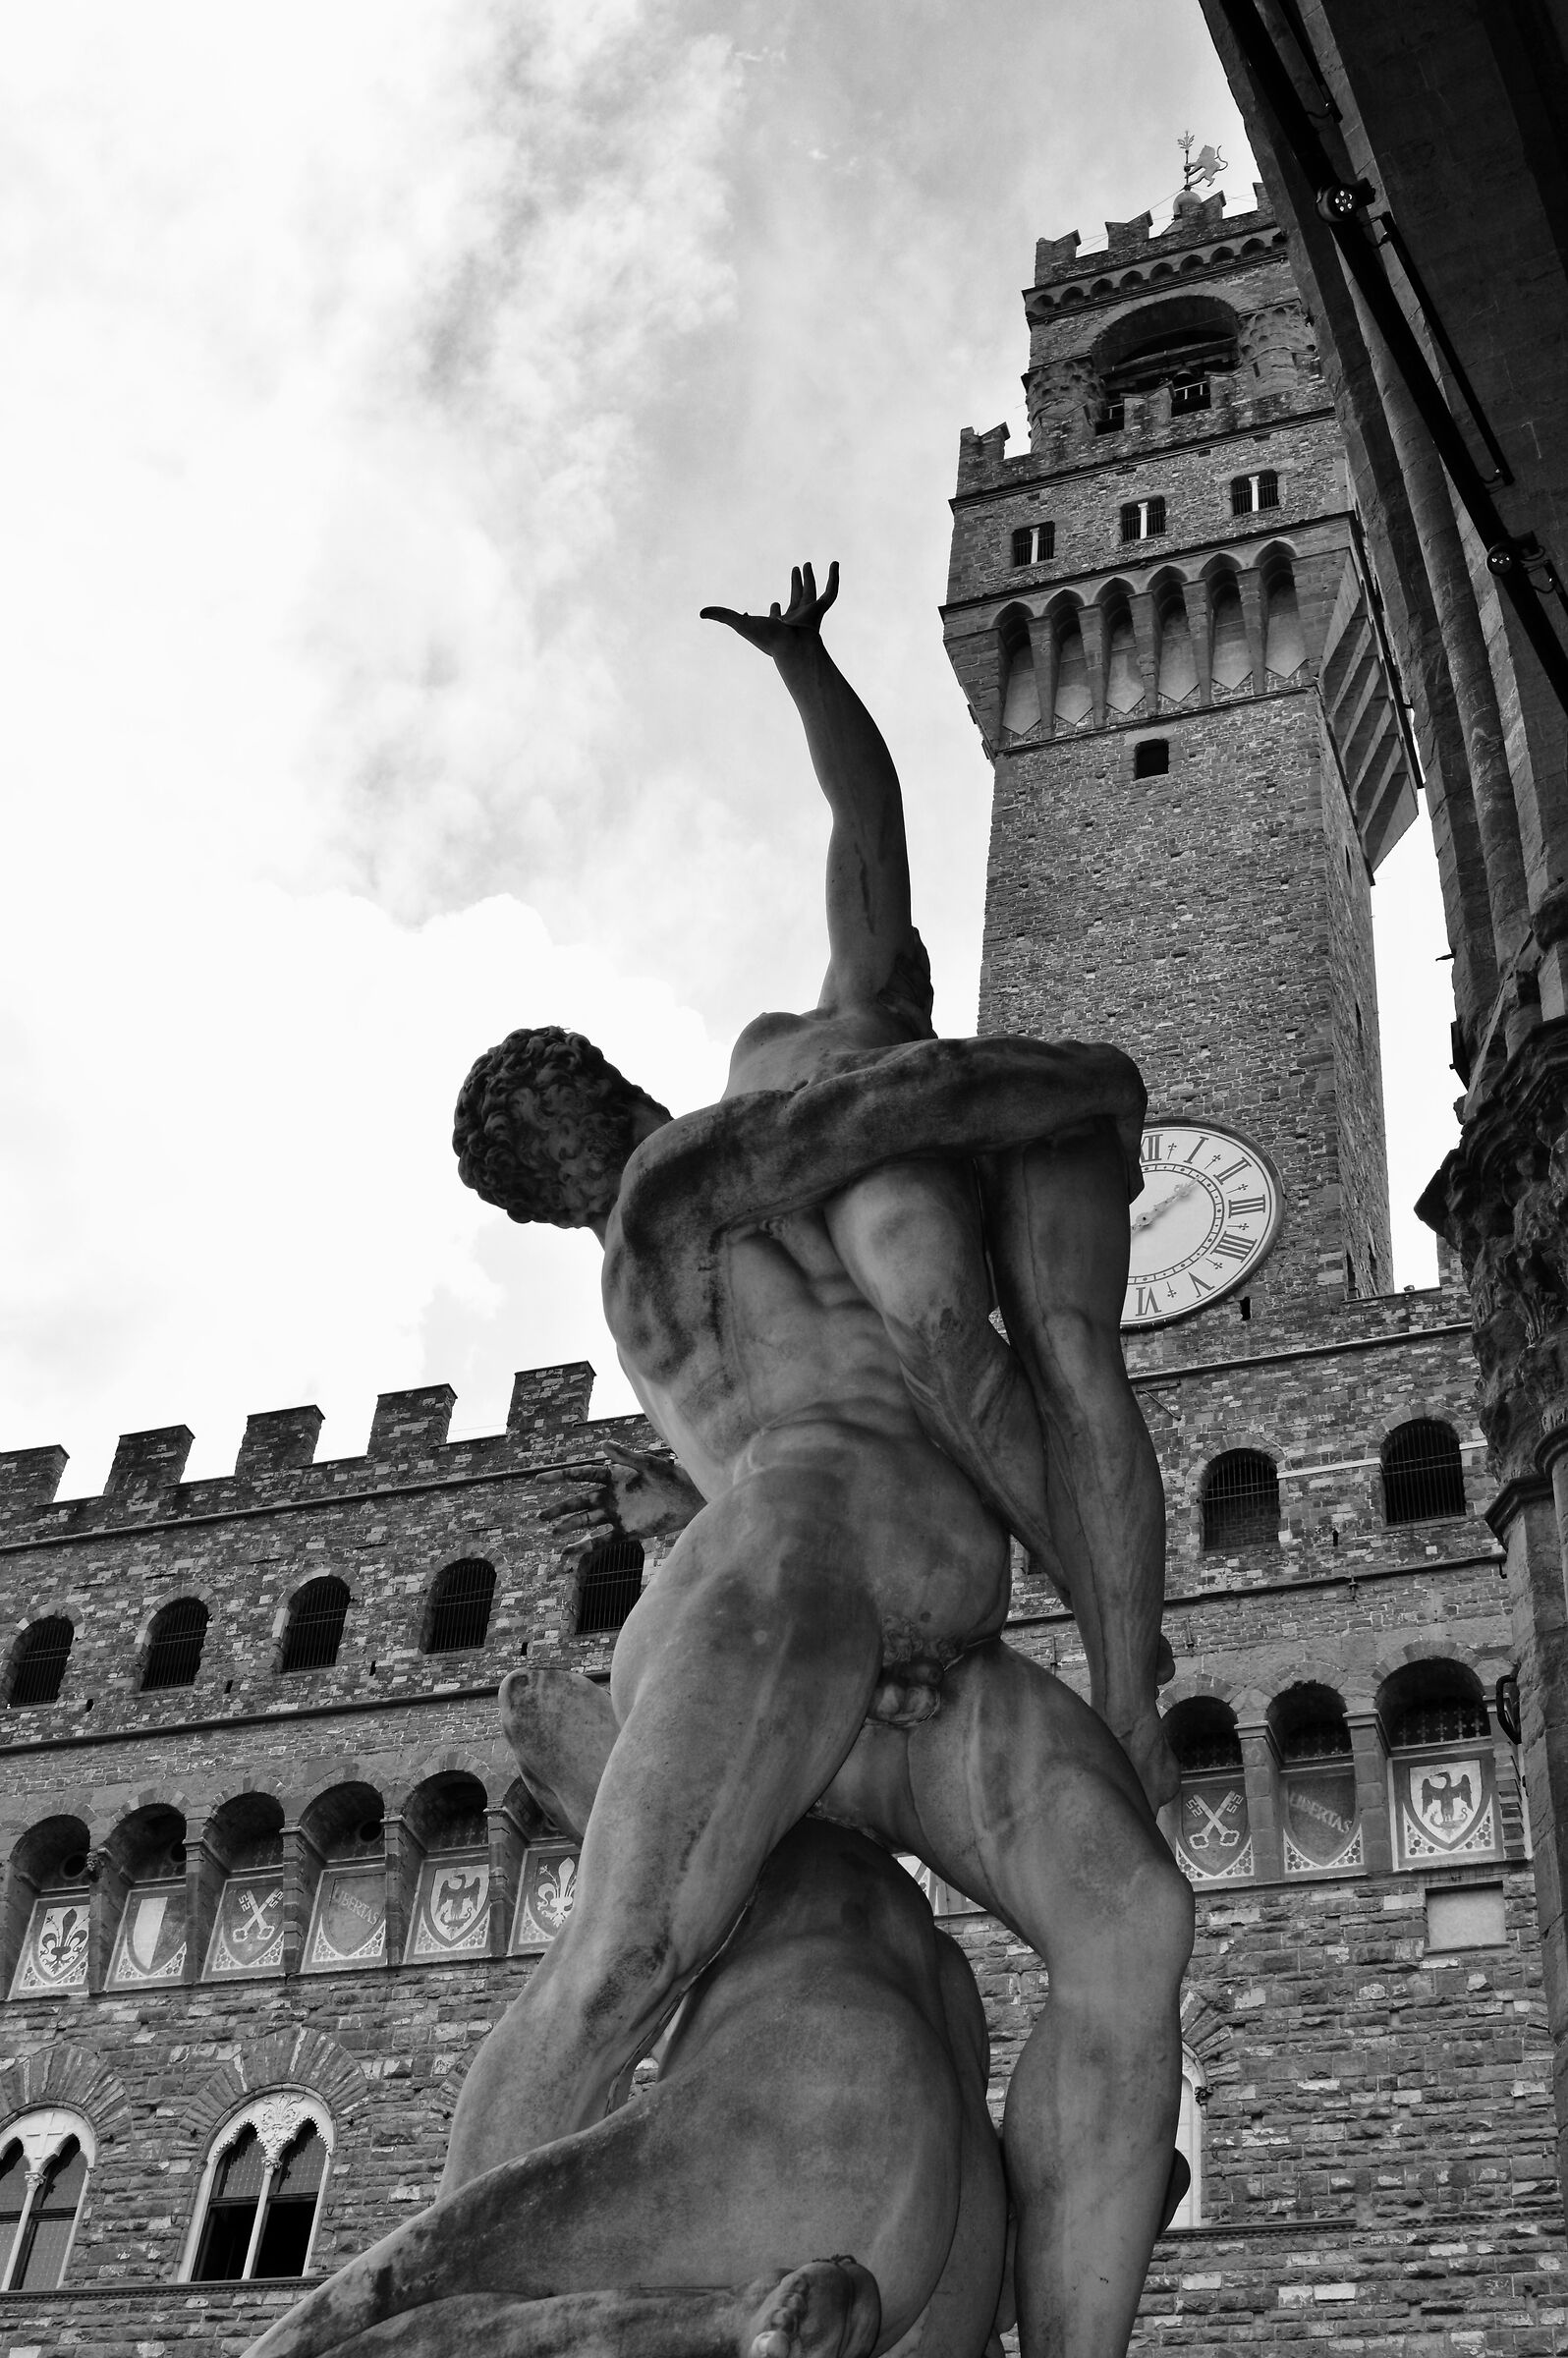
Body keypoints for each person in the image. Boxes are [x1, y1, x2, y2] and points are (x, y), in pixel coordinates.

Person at [443, 568, 1194, 2358]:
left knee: (1132, 1924)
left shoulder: (776, 1087)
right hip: (798, 1574)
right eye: (543, 1157)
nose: (568, 1159)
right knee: (629, 1956)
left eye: (553, 1125)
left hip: (928, 1648)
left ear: (586, 1093)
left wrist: (807, 668)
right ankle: (437, 2300)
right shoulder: (666, 1243)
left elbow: (870, 847)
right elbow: (870, 916)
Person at [248, 1665, 1010, 2358]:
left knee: (399, 2326)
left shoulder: (712, 1827)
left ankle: (729, 2318)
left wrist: (466, 2228)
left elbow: (590, 2000)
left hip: (819, 2112)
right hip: (942, 2250)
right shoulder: (924, 1940)